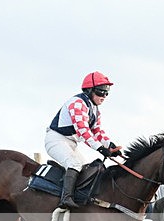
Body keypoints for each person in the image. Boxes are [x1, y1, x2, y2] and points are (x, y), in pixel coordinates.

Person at [45, 71, 122, 209]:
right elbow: (83, 131)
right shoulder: (77, 103)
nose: (104, 96)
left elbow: (97, 132)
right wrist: (101, 149)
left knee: (86, 168)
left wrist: (110, 145)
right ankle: (65, 199)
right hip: (56, 140)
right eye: (100, 92)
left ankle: (79, 198)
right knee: (74, 164)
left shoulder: (95, 110)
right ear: (89, 90)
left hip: (71, 143)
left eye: (106, 93)